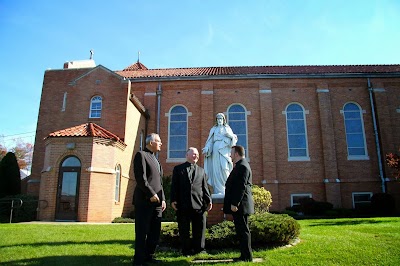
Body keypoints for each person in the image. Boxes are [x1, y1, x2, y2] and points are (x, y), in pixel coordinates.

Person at [170, 147, 212, 256]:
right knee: (184, 229)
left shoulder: (201, 171)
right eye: (193, 154)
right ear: (187, 155)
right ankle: (186, 250)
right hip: (183, 204)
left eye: (197, 154)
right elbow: (174, 186)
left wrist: (209, 200)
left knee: (200, 229)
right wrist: (173, 200)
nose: (196, 156)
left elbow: (205, 188)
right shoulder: (178, 169)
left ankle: (200, 249)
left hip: (199, 205)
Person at [132, 133, 166, 266]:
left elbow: (159, 183)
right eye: (159, 141)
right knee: (142, 231)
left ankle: (148, 256)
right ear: (150, 143)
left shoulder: (156, 160)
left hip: (157, 202)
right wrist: (151, 194)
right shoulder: (141, 155)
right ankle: (139, 260)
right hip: (144, 200)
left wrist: (162, 199)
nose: (161, 143)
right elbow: (141, 178)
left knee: (155, 232)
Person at [223, 145, 254, 262]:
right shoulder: (239, 166)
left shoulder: (243, 166)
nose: (230, 155)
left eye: (231, 153)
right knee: (241, 230)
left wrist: (235, 203)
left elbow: (241, 187)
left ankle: (247, 256)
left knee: (243, 230)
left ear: (236, 154)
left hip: (241, 206)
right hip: (240, 205)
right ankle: (244, 255)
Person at [202, 113, 237, 195]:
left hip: (224, 151)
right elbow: (210, 141)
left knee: (225, 169)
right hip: (215, 150)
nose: (219, 120)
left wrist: (230, 137)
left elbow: (233, 140)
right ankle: (219, 191)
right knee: (216, 170)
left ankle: (227, 189)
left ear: (224, 120)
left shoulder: (227, 128)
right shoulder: (213, 129)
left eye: (221, 119)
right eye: (218, 119)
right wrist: (207, 148)